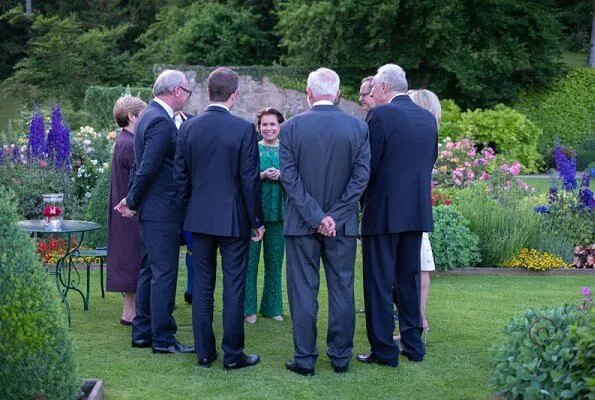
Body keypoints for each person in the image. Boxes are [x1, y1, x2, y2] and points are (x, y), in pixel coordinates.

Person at [280, 68, 370, 376]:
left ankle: (305, 359)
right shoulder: (357, 127)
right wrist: (332, 217)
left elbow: (289, 180)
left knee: (303, 291)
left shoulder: (290, 127)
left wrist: (319, 217)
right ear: (337, 92)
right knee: (343, 288)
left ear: (308, 92)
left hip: (302, 224)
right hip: (340, 226)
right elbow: (360, 179)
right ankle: (341, 357)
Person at [174, 67, 265, 370]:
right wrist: (256, 220)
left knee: (202, 286)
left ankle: (204, 353)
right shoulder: (243, 129)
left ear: (208, 91)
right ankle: (233, 354)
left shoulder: (188, 127)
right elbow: (250, 180)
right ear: (234, 94)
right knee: (233, 285)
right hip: (233, 220)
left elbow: (180, 179)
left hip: (198, 219)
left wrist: (186, 214)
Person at [357, 64, 438, 367]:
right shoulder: (427, 118)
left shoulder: (380, 115)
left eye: (374, 87)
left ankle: (384, 351)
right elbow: (429, 161)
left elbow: (369, 165)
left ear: (385, 88)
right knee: (408, 279)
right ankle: (414, 346)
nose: (372, 93)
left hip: (383, 211)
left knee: (378, 282)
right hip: (416, 211)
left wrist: (364, 201)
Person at [115, 69, 193, 355]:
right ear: (175, 91)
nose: (186, 97)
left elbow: (142, 166)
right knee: (164, 273)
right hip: (162, 209)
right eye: (186, 91)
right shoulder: (160, 120)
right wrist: (132, 200)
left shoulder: (148, 115)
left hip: (152, 207)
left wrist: (132, 199)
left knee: (149, 270)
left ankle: (142, 332)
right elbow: (147, 167)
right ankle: (163, 338)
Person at [106, 96, 146, 325]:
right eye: (142, 115)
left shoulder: (124, 140)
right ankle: (131, 315)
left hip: (125, 210)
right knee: (133, 260)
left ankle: (130, 313)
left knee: (131, 260)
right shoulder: (129, 144)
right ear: (131, 116)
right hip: (129, 212)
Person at [244, 107, 286, 324]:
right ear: (259, 127)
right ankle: (248, 308)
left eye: (273, 124)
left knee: (275, 263)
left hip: (279, 213)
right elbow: (244, 177)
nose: (269, 128)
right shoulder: (252, 149)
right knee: (250, 262)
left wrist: (282, 176)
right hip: (254, 214)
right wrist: (261, 175)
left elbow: (297, 177)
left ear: (280, 126)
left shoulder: (287, 150)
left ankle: (272, 307)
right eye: (265, 124)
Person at [407, 89, 441, 341]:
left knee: (420, 264)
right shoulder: (428, 131)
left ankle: (419, 319)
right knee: (419, 263)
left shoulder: (423, 133)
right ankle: (417, 318)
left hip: (412, 205)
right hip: (416, 204)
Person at [175, 110, 195, 305]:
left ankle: (192, 290)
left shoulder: (191, 121)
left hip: (190, 200)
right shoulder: (160, 122)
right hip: (170, 199)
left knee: (193, 246)